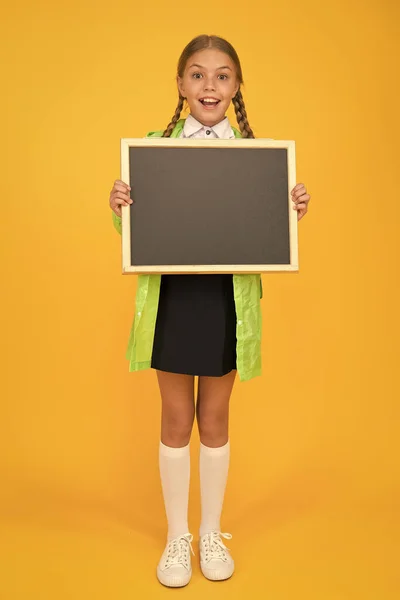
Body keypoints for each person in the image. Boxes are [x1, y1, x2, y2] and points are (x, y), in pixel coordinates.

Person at [109, 34, 311, 588]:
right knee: (176, 421)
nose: (209, 86)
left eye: (222, 76)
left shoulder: (258, 158)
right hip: (174, 297)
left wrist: (288, 210)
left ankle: (209, 531)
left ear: (236, 86)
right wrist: (121, 206)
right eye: (197, 75)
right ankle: (177, 536)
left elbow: (266, 235)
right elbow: (134, 236)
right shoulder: (152, 150)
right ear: (180, 84)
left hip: (226, 300)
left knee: (215, 420)